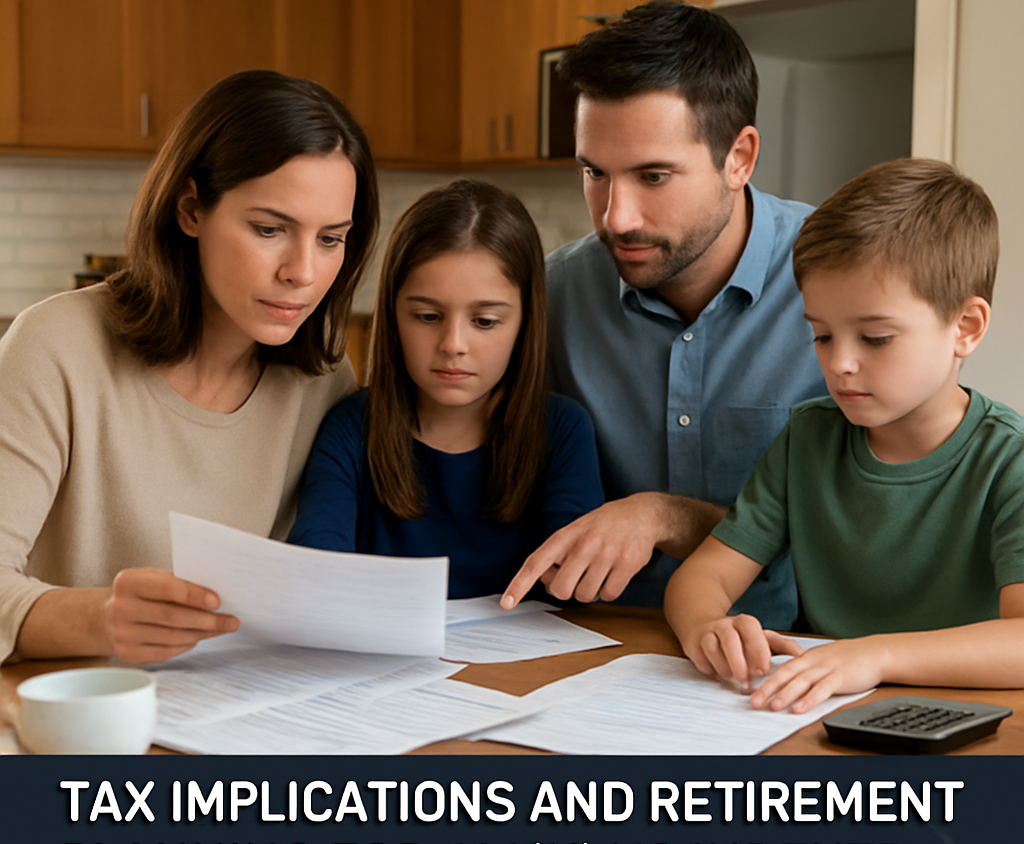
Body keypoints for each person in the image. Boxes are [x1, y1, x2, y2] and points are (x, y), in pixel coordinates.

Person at [0, 70, 379, 665]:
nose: (303, 272)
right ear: (190, 208)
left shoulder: (323, 378)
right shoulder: (55, 348)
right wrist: (100, 619)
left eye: (331, 239)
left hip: (241, 716)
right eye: (270, 229)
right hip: (79, 719)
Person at [502, 0, 828, 626]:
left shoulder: (845, 288)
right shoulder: (551, 297)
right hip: (599, 653)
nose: (615, 217)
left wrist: (667, 517)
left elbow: (872, 535)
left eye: (653, 176)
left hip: (791, 665)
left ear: (739, 157)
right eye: (595, 172)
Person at [665, 158, 1024, 711]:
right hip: (816, 708)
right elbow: (701, 579)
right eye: (823, 336)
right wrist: (709, 626)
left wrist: (873, 656)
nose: (841, 365)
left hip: (962, 721)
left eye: (876, 338)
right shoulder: (808, 438)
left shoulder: (1010, 459)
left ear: (965, 328)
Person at [287, 179, 604, 598]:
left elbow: (576, 589)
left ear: (526, 324)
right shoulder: (350, 428)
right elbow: (313, 571)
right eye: (426, 316)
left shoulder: (562, 430)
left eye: (485, 322)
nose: (453, 344)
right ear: (393, 315)